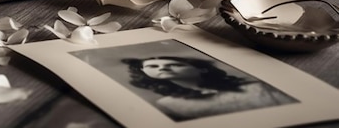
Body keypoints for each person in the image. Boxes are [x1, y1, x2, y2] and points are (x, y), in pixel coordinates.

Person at [122, 56, 296, 121]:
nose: (163, 68)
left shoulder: (256, 86)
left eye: (173, 64)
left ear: (201, 68)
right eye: (153, 67)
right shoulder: (168, 104)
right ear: (146, 74)